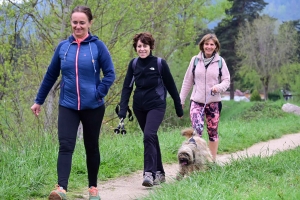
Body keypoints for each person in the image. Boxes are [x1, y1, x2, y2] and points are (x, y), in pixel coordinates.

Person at [30, 5, 115, 200]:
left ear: (90, 23)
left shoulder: (97, 46)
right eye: (75, 22)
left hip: (93, 106)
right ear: (71, 23)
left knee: (91, 146)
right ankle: (61, 189)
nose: (78, 26)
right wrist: (39, 101)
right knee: (65, 145)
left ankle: (93, 188)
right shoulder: (63, 47)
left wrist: (99, 92)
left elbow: (110, 73)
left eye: (82, 22)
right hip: (68, 105)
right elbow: (51, 75)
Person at [118, 32, 183, 187]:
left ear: (151, 47)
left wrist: (178, 107)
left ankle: (149, 173)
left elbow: (171, 86)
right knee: (151, 137)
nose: (142, 49)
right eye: (139, 46)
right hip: (139, 107)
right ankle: (160, 173)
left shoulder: (160, 63)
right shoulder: (133, 64)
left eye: (145, 46)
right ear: (136, 48)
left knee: (149, 135)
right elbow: (127, 87)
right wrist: (122, 109)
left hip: (157, 105)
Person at [180, 33, 230, 161]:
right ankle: (197, 160)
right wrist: (181, 100)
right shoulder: (195, 60)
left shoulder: (220, 62)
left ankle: (211, 161)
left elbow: (226, 80)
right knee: (196, 132)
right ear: (202, 45)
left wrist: (218, 87)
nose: (208, 46)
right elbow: (187, 81)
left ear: (216, 46)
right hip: (196, 101)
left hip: (213, 103)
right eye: (206, 44)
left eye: (211, 44)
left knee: (212, 132)